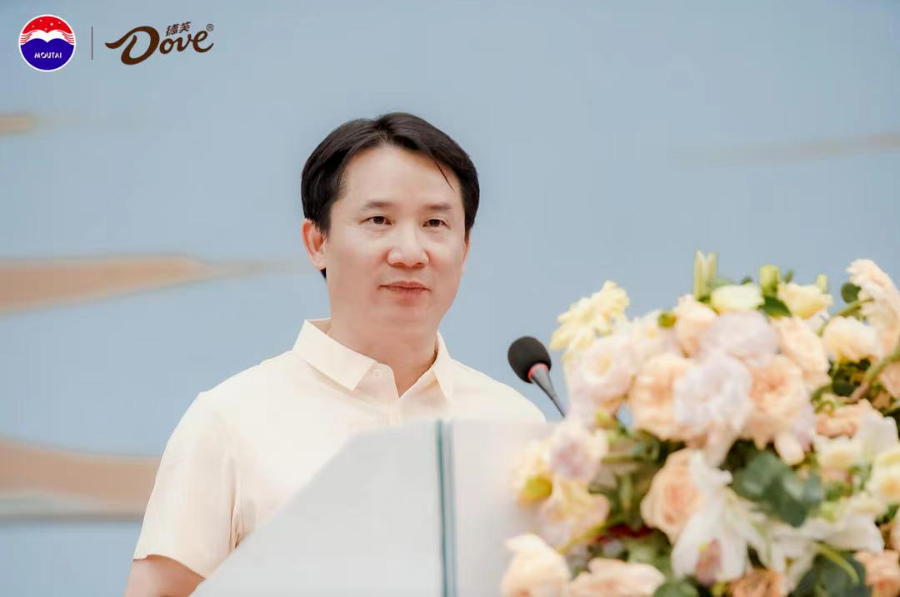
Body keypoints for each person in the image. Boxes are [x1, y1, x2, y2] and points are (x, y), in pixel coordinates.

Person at [124, 112, 545, 596]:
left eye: (435, 223)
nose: (410, 252)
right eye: (379, 221)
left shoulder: (515, 425)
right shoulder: (229, 422)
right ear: (317, 242)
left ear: (464, 248)